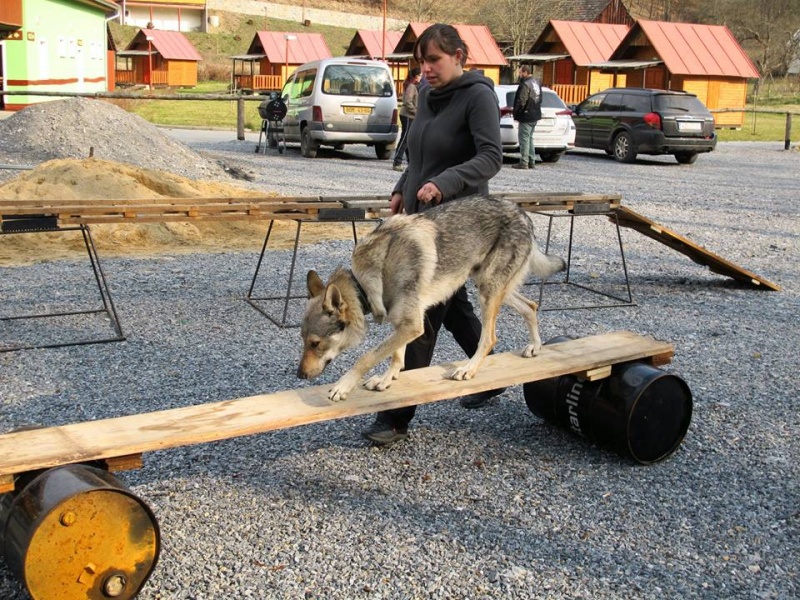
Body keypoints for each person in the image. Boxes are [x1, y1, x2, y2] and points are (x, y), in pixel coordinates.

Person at [361, 23, 505, 446]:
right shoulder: (426, 95)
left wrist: (446, 182)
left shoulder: (478, 96)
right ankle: (491, 374)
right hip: (420, 218)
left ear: (460, 56)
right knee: (454, 304)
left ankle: (396, 417)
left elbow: (491, 157)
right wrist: (401, 188)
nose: (426, 69)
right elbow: (420, 152)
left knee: (416, 313)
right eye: (422, 61)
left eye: (435, 60)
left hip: (459, 222)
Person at [512, 64, 542, 170]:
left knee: (524, 139)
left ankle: (524, 162)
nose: (519, 75)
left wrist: (516, 112)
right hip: (535, 114)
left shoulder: (525, 84)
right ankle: (531, 160)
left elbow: (521, 100)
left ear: (525, 72)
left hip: (526, 115)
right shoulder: (537, 82)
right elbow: (540, 98)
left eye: (520, 72)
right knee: (530, 138)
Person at [392, 67, 421, 171]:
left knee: (408, 139)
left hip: (409, 115)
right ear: (416, 76)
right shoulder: (411, 86)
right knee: (404, 139)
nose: (421, 77)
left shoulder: (411, 85)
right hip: (408, 115)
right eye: (420, 75)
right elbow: (408, 101)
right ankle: (397, 162)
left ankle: (410, 162)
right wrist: (416, 112)